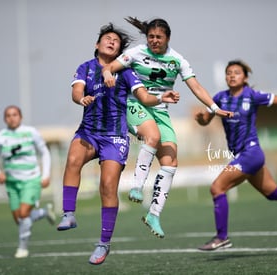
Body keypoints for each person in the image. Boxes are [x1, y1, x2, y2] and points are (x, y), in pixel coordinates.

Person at [56, 23, 179, 265]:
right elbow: (75, 92)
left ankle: (104, 243)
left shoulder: (126, 71)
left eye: (116, 41)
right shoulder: (86, 68)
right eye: (107, 39)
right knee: (72, 159)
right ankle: (69, 214)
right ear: (97, 44)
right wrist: (82, 98)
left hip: (114, 136)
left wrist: (160, 98)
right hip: (89, 132)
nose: (112, 42)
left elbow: (143, 97)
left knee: (108, 186)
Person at [102, 16, 233, 238]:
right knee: (152, 136)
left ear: (168, 38)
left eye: (158, 37)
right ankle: (137, 186)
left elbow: (196, 86)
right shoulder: (136, 52)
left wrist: (214, 107)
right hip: (135, 104)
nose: (154, 40)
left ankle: (153, 214)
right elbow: (110, 66)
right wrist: (107, 73)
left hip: (160, 111)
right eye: (151, 36)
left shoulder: (177, 60)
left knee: (171, 161)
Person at [194, 59, 277, 251]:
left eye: (236, 73)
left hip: (252, 153)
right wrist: (201, 119)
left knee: (217, 188)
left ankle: (221, 238)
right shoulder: (219, 98)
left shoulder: (253, 96)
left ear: (245, 77)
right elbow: (206, 120)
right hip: (242, 156)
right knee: (272, 192)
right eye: (229, 73)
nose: (232, 76)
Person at [0, 105, 56, 258]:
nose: (11, 118)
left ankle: (22, 248)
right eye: (8, 115)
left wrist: (45, 175)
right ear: (4, 118)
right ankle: (44, 212)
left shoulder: (31, 132)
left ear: (21, 117)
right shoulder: (0, 137)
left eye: (14, 114)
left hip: (31, 180)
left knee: (24, 213)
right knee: (19, 218)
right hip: (11, 183)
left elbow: (45, 152)